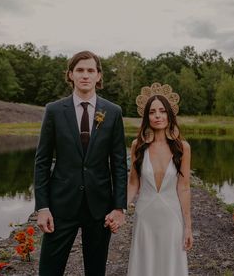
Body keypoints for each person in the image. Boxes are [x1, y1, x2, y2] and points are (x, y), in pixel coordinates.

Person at [34, 50, 127, 276]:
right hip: (61, 205)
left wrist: (119, 207)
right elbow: (42, 161)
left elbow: (119, 163)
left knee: (95, 271)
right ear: (70, 75)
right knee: (49, 270)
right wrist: (42, 207)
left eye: (90, 70)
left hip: (99, 206)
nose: (85, 75)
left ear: (98, 76)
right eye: (80, 70)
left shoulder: (113, 112)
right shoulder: (54, 110)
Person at [127, 83, 193, 276]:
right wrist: (119, 209)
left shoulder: (183, 148)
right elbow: (133, 183)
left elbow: (184, 188)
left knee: (170, 267)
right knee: (144, 266)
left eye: (162, 111)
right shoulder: (137, 146)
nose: (157, 116)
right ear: (146, 117)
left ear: (170, 115)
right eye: (152, 112)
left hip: (172, 217)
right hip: (145, 216)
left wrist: (188, 227)